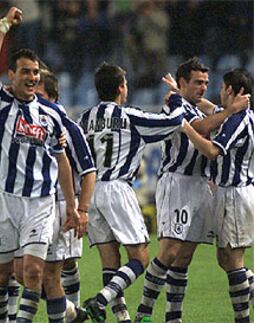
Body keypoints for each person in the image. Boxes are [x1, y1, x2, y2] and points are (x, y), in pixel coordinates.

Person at [0, 7, 81, 322]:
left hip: (40, 202)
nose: (32, 77)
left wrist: (73, 206)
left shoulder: (51, 115)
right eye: (25, 72)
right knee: (1, 273)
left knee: (34, 273)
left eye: (35, 73)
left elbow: (62, 160)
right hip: (2, 200)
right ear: (12, 75)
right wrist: (4, 25)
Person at [134, 58, 249, 323]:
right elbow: (201, 128)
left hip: (201, 184)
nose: (203, 88)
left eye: (206, 83)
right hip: (177, 181)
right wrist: (230, 111)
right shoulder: (175, 102)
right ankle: (143, 312)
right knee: (170, 251)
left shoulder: (197, 105)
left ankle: (173, 317)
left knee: (185, 255)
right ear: (183, 83)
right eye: (197, 83)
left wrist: (225, 109)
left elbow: (208, 112)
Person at [79, 62, 185, 323]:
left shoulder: (84, 118)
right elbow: (173, 122)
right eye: (124, 84)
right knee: (140, 257)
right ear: (120, 88)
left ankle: (123, 318)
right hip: (117, 189)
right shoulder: (129, 116)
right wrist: (176, 98)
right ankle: (100, 300)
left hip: (90, 191)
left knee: (110, 262)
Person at [181, 68, 253, 323]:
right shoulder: (246, 115)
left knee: (233, 261)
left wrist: (188, 129)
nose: (219, 92)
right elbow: (212, 107)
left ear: (230, 91)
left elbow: (212, 151)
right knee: (224, 259)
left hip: (234, 194)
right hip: (232, 193)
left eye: (222, 88)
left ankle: (242, 319)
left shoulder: (237, 120)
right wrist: (184, 95)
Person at [37, 69, 96, 322]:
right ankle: (73, 313)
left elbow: (89, 171)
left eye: (40, 95)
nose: (34, 100)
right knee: (25, 270)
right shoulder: (28, 124)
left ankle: (72, 311)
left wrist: (81, 210)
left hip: (62, 205)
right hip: (37, 204)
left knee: (54, 271)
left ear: (53, 98)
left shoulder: (68, 128)